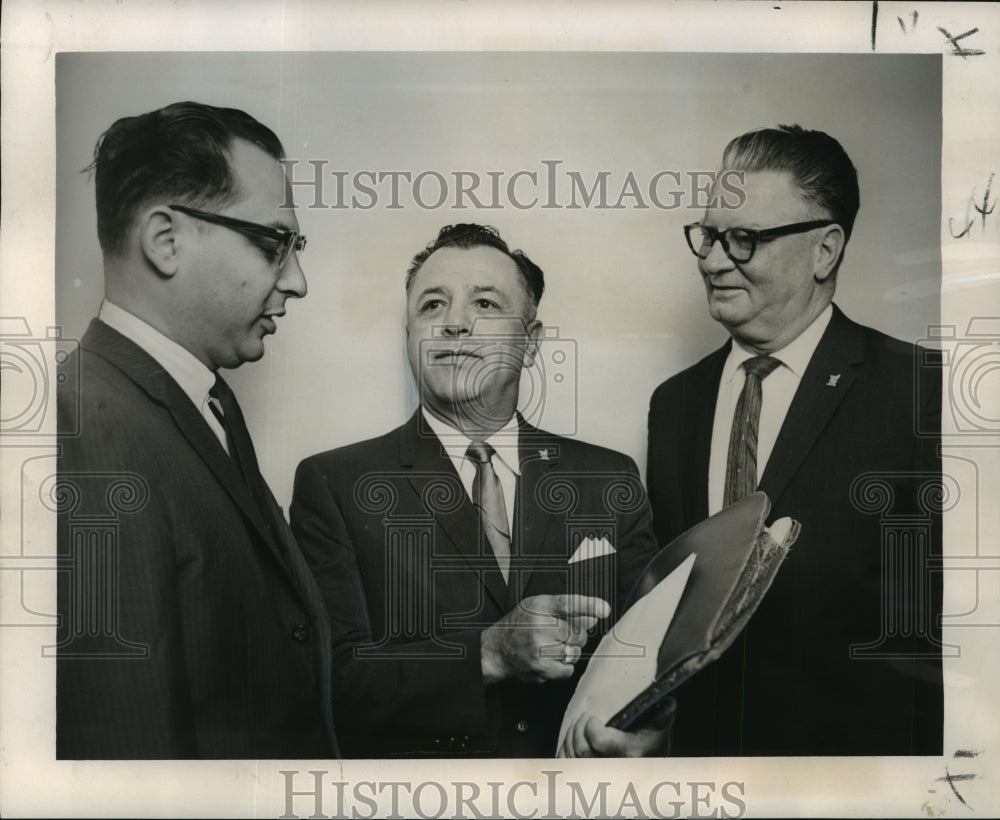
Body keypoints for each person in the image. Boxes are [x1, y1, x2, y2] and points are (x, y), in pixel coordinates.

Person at [291, 223, 667, 757]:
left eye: (485, 304)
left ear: (532, 343)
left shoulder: (609, 479)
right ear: (408, 337)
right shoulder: (334, 485)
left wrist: (645, 728)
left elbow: (649, 657)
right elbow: (327, 684)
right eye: (431, 306)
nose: (454, 324)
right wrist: (488, 653)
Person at [646, 125, 943, 755]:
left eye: (743, 239)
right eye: (707, 235)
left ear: (824, 250)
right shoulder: (673, 406)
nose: (712, 260)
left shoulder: (923, 394)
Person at [55, 101, 338, 759]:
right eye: (274, 243)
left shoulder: (204, 400)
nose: (296, 280)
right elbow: (125, 752)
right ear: (166, 241)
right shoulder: (84, 431)